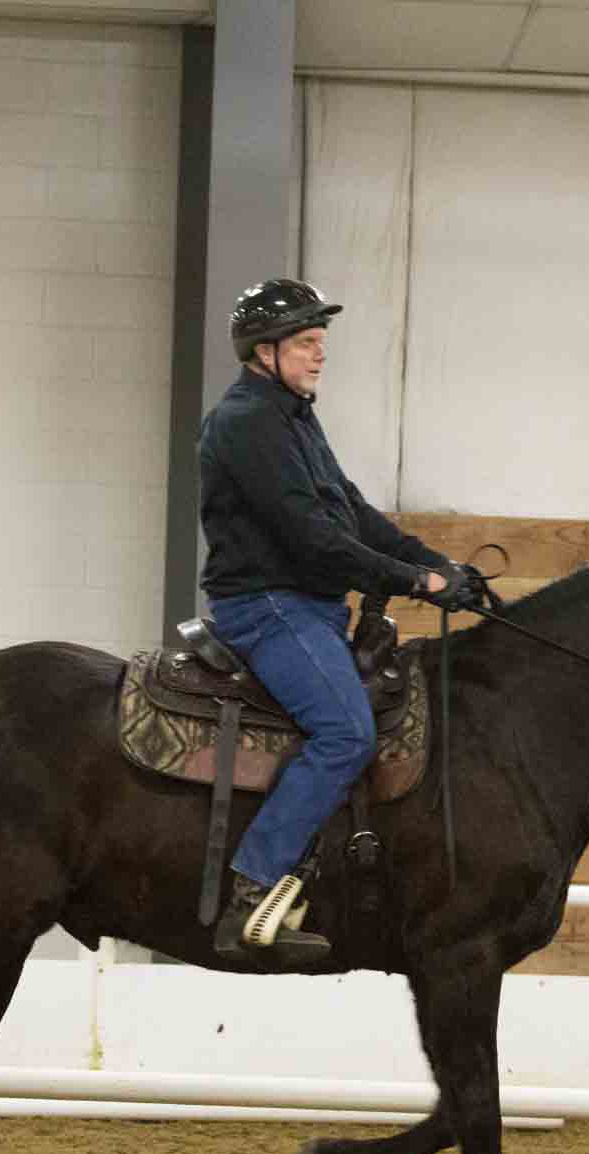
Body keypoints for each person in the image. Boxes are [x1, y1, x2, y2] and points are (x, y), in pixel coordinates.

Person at [197, 278, 484, 968]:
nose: (320, 354)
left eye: (320, 341)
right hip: (267, 605)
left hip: (310, 606)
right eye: (306, 342)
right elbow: (312, 540)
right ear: (264, 351)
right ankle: (252, 889)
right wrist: (414, 582)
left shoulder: (294, 416)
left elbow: (351, 513)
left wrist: (436, 563)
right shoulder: (245, 423)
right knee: (346, 730)